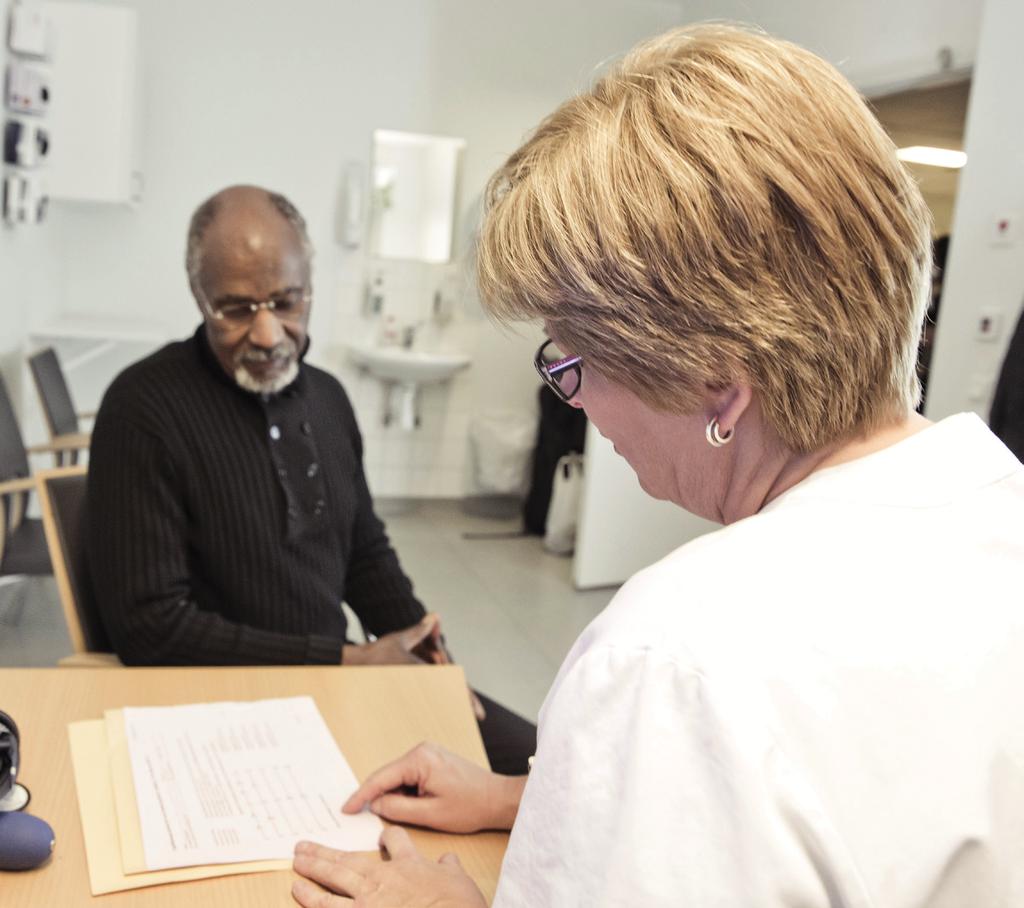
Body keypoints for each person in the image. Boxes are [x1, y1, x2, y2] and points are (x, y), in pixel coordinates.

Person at [291, 25, 1024, 908]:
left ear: (718, 387)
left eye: (572, 362)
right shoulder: (995, 504)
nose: (574, 403)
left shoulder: (677, 655)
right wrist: (529, 799)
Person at [86, 185, 536, 775]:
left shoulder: (327, 399)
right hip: (216, 710)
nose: (269, 334)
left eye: (287, 302)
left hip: (335, 683)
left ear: (310, 291)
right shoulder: (144, 409)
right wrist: (346, 660)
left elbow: (363, 554)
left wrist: (428, 654)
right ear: (200, 297)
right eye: (238, 309)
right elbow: (151, 628)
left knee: (546, 769)